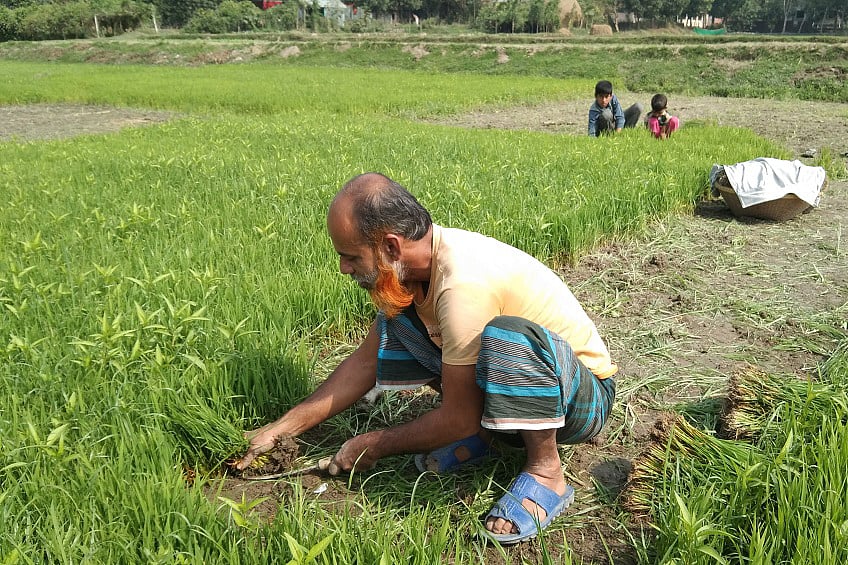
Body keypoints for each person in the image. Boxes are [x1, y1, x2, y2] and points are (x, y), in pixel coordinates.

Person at [236, 172, 618, 545]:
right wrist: (281, 429)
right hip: (524, 395)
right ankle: (485, 434)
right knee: (395, 319)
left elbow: (458, 415)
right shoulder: (417, 270)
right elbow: (364, 364)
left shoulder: (462, 284)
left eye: (351, 256)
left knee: (506, 338)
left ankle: (546, 470)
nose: (344, 268)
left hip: (580, 401)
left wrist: (375, 443)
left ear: (390, 246)